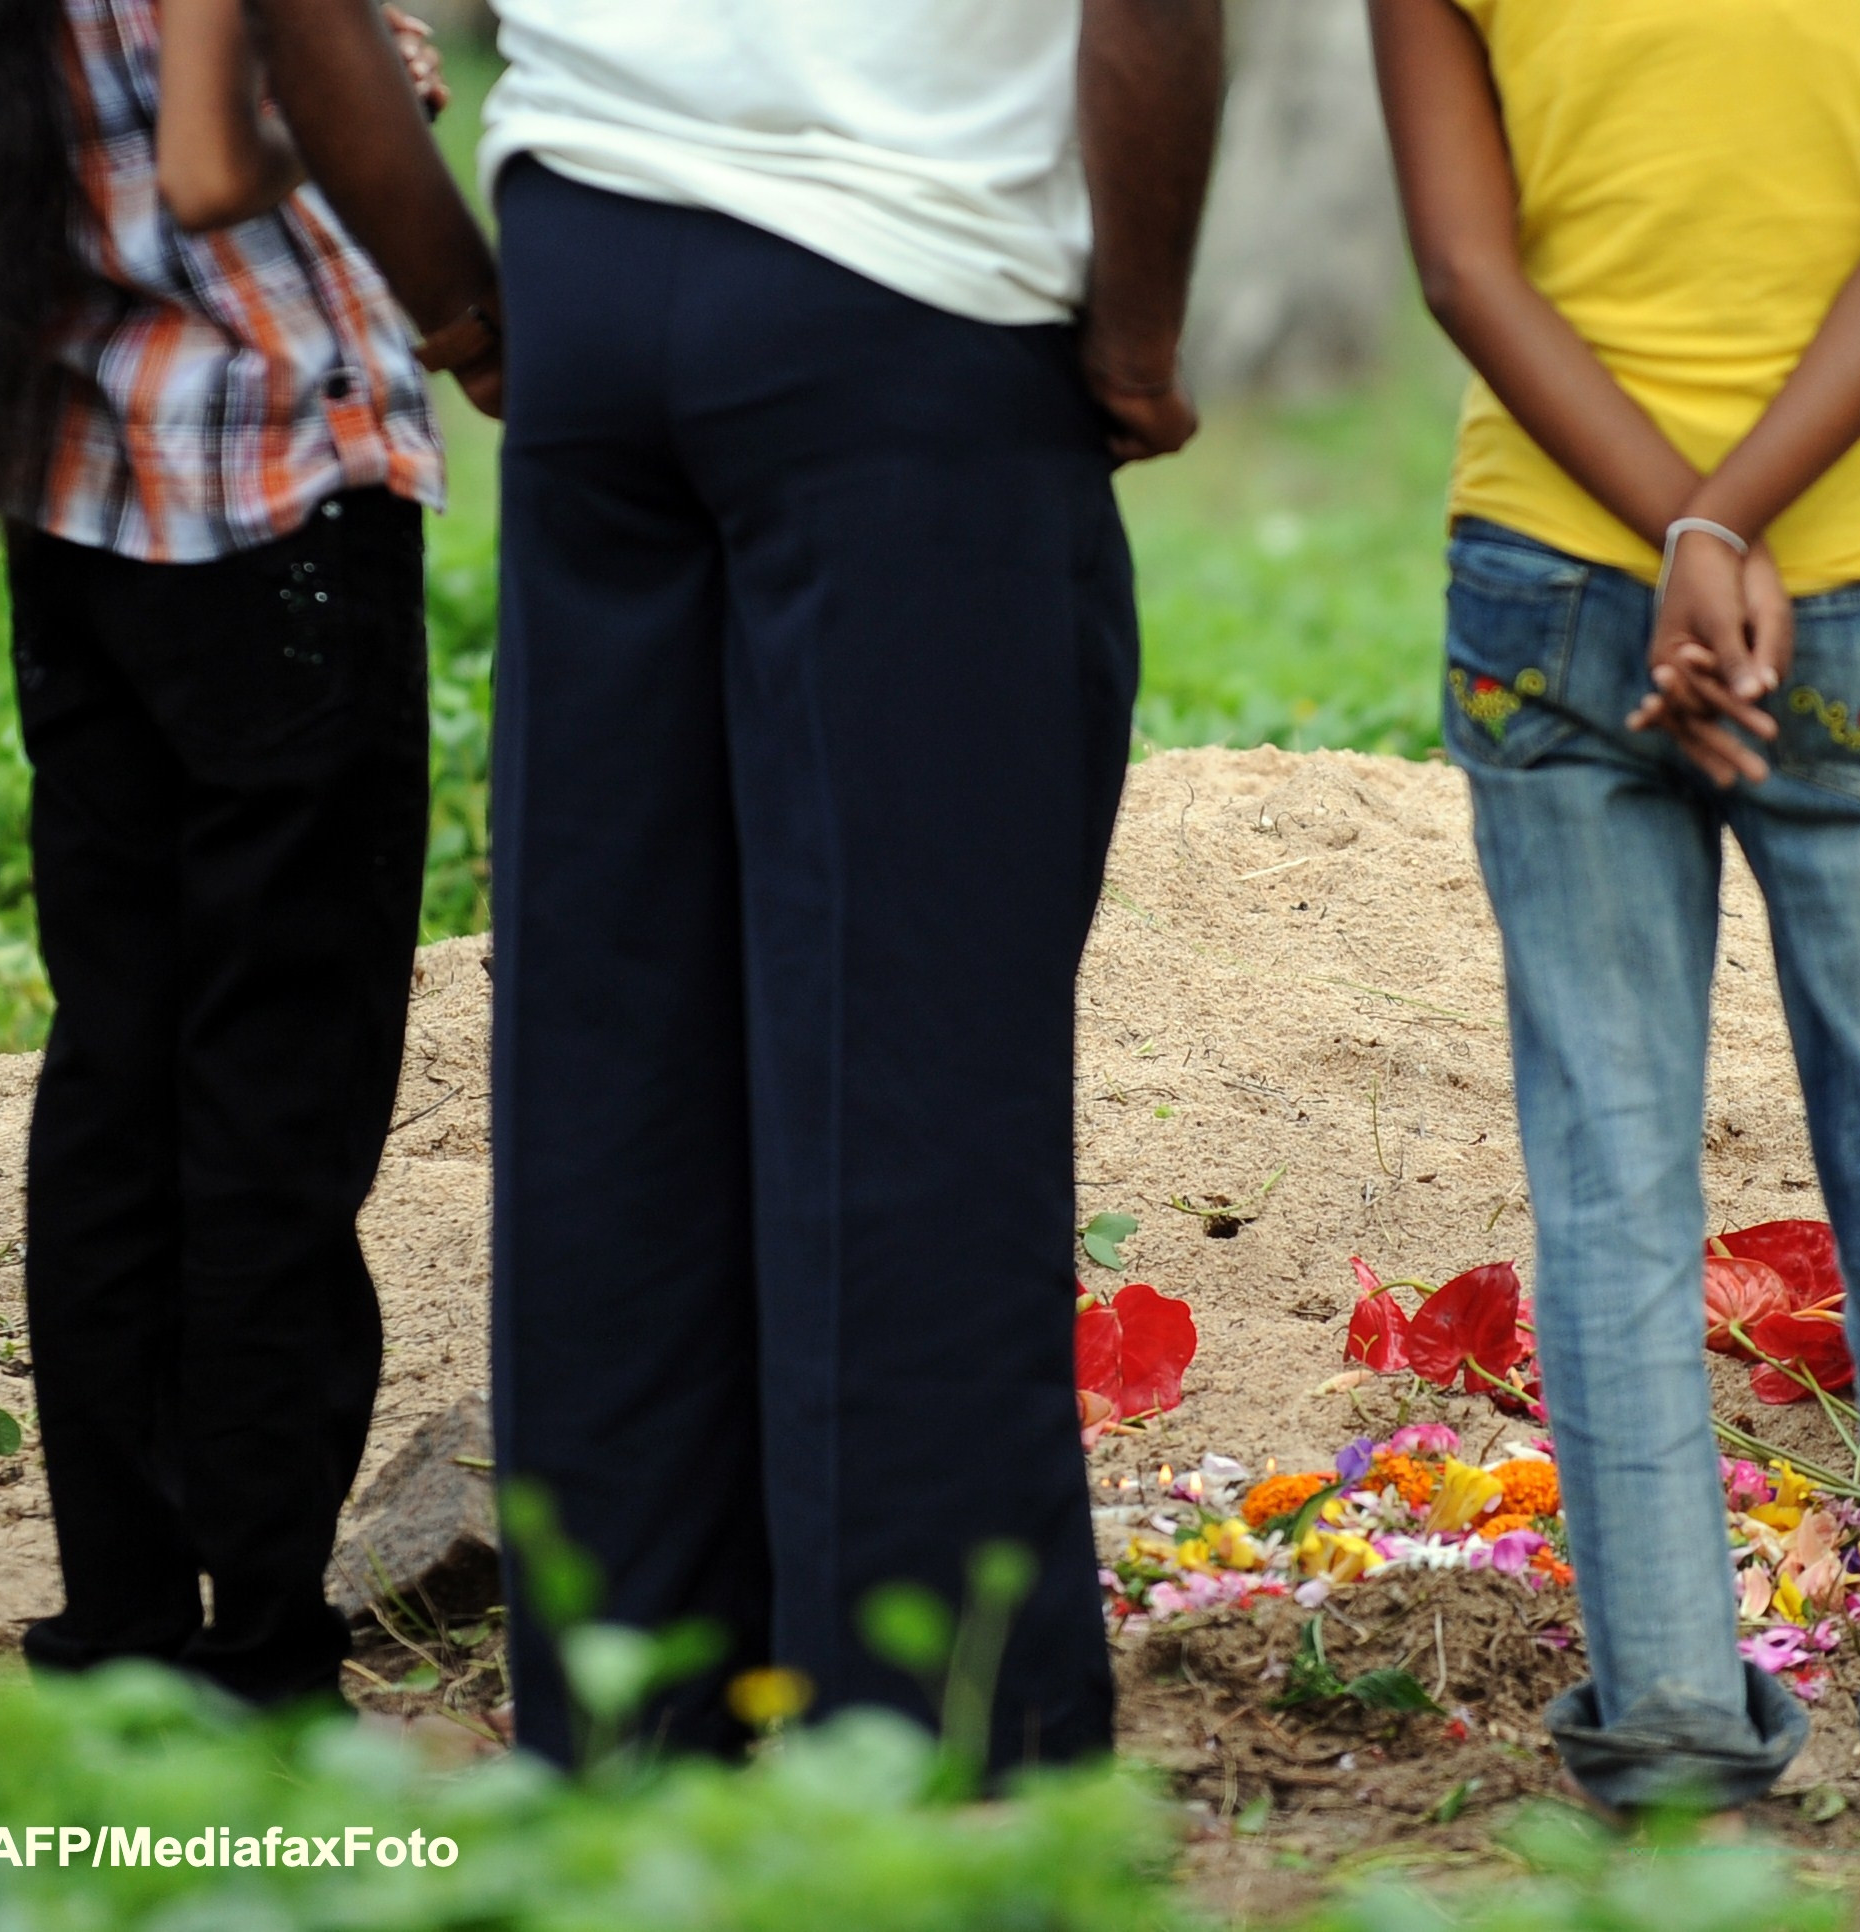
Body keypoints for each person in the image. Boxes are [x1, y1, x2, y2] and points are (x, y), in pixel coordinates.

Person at [1372, 0, 1860, 1822]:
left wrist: (1672, 530)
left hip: (1554, 569)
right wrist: (1739, 519)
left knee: (1611, 1176)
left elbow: (1467, 269)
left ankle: (1677, 1733)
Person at [463, 0, 1221, 1766]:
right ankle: (934, 1748)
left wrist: (456, 288)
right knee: (919, 1069)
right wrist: (1135, 332)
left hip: (585, 237)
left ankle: (626, 1730)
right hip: (911, 279)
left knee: (609, 1050)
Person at [0, 0, 492, 1705]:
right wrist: (368, 110)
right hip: (269, 506)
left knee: (119, 1074)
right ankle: (256, 1648)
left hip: (85, 494)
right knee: (277, 1088)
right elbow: (203, 163)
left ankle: (118, 1622)